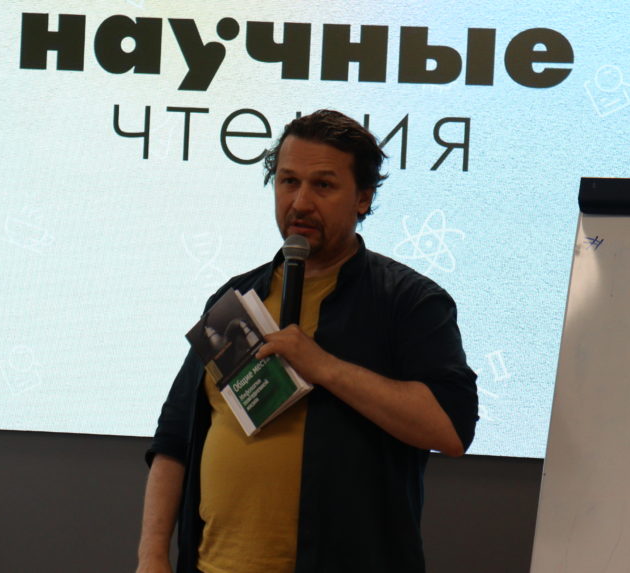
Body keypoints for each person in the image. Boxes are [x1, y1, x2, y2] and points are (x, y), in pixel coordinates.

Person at [137, 110, 478, 573]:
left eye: (323, 185)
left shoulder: (409, 301)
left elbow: (450, 429)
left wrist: (324, 367)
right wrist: (152, 555)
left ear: (363, 197)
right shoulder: (236, 299)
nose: (300, 202)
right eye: (288, 181)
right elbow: (176, 438)